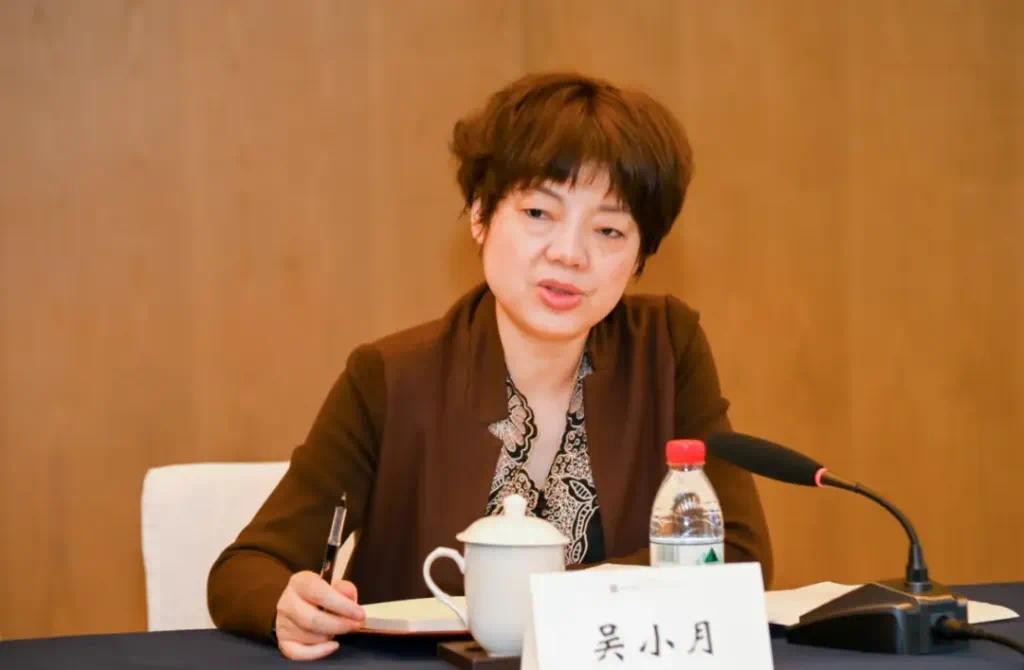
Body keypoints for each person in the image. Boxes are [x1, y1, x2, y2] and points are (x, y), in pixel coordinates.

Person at [207, 72, 773, 661]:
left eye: (609, 229)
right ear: (480, 214)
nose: (569, 254)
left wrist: (543, 606)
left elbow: (735, 552)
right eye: (538, 212)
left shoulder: (666, 348)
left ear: (638, 257)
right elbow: (247, 569)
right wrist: (287, 606)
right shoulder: (391, 377)